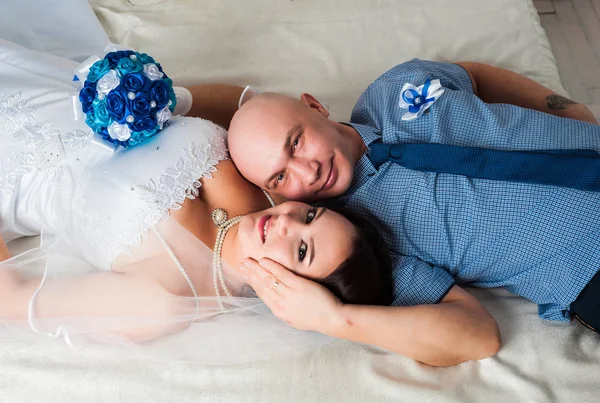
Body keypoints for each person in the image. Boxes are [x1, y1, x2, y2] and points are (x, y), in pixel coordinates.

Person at [0, 37, 393, 363]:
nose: (288, 222)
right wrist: (159, 94)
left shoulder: (166, 300)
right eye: (311, 215)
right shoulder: (271, 185)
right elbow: (240, 107)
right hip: (55, 93)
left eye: (302, 250)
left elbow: (13, 300)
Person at [208, 60, 600, 367]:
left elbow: (475, 76)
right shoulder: (359, 242)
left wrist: (571, 112)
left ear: (316, 106)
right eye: (280, 177)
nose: (307, 172)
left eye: (297, 142)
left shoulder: (395, 88)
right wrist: (335, 319)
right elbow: (476, 334)